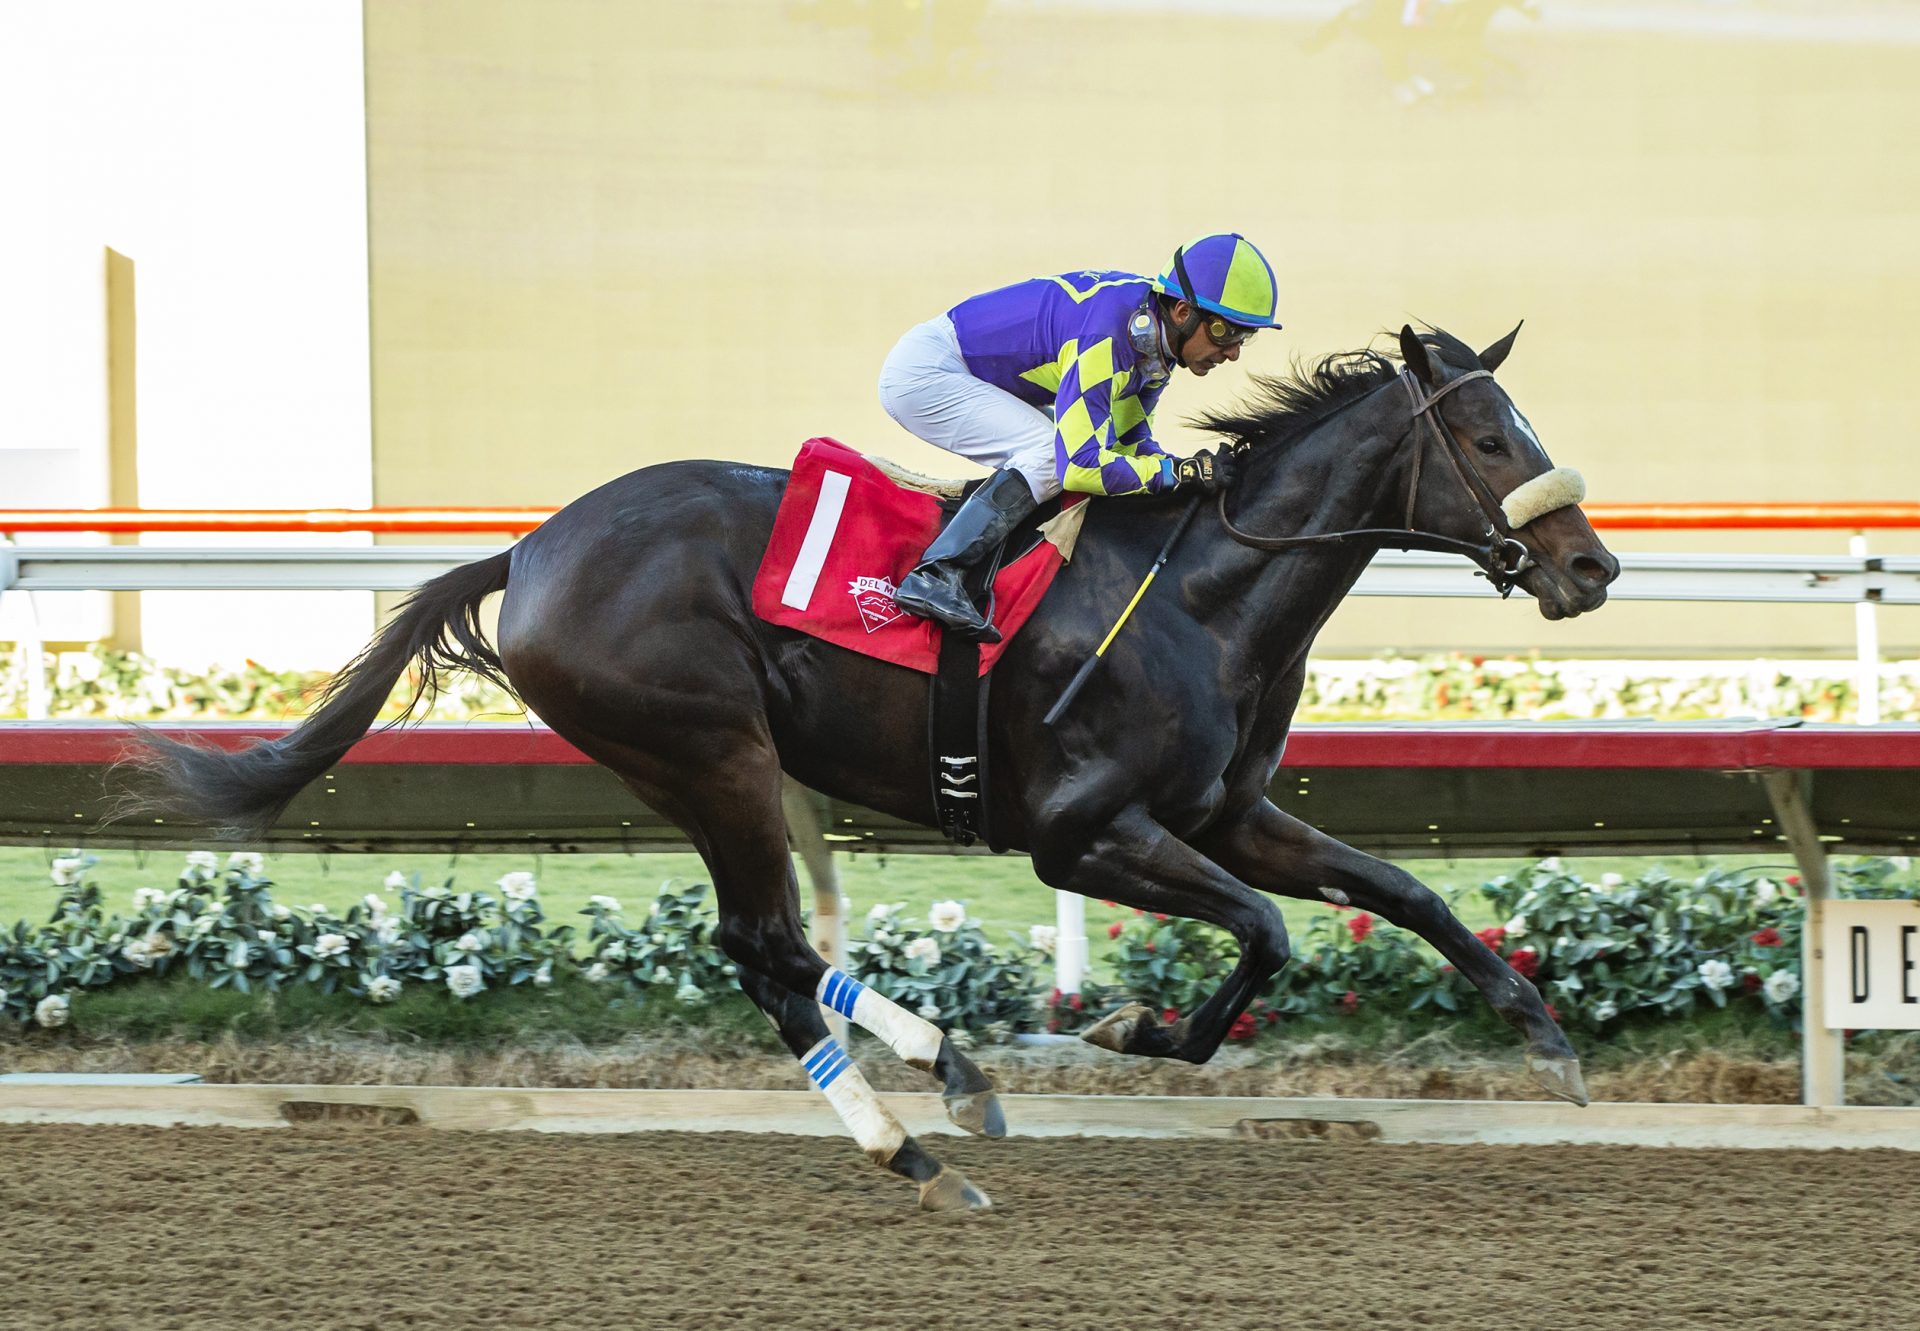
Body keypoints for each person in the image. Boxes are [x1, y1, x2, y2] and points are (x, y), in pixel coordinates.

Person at [878, 232, 1282, 641]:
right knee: (1051, 456)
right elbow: (1080, 466)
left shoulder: (1152, 343)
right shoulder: (1109, 336)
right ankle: (935, 574)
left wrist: (1182, 475)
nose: (1233, 352)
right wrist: (1174, 473)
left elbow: (1128, 445)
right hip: (928, 374)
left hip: (970, 373)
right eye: (1226, 331)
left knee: (1064, 454)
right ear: (1182, 312)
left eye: (1245, 337)